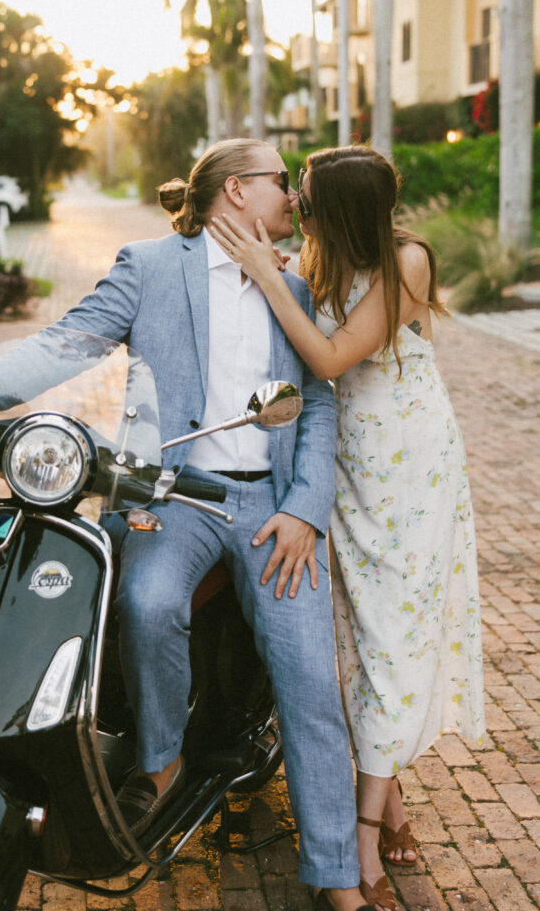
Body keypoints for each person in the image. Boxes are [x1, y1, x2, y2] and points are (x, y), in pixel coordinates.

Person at [0, 138, 376, 911]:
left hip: (271, 508)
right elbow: (62, 346)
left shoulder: (297, 287)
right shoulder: (149, 267)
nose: (294, 198)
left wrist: (304, 509)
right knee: (144, 604)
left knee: (310, 680)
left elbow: (315, 403)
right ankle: (162, 763)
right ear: (236, 191)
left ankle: (336, 877)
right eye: (281, 182)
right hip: (173, 497)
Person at [208, 145, 485, 911]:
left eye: (304, 192)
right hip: (341, 461)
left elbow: (329, 357)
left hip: (408, 464)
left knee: (393, 634)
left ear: (341, 205)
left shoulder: (407, 261)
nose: (294, 201)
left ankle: (363, 828)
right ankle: (388, 803)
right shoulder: (315, 257)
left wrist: (270, 277)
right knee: (350, 634)